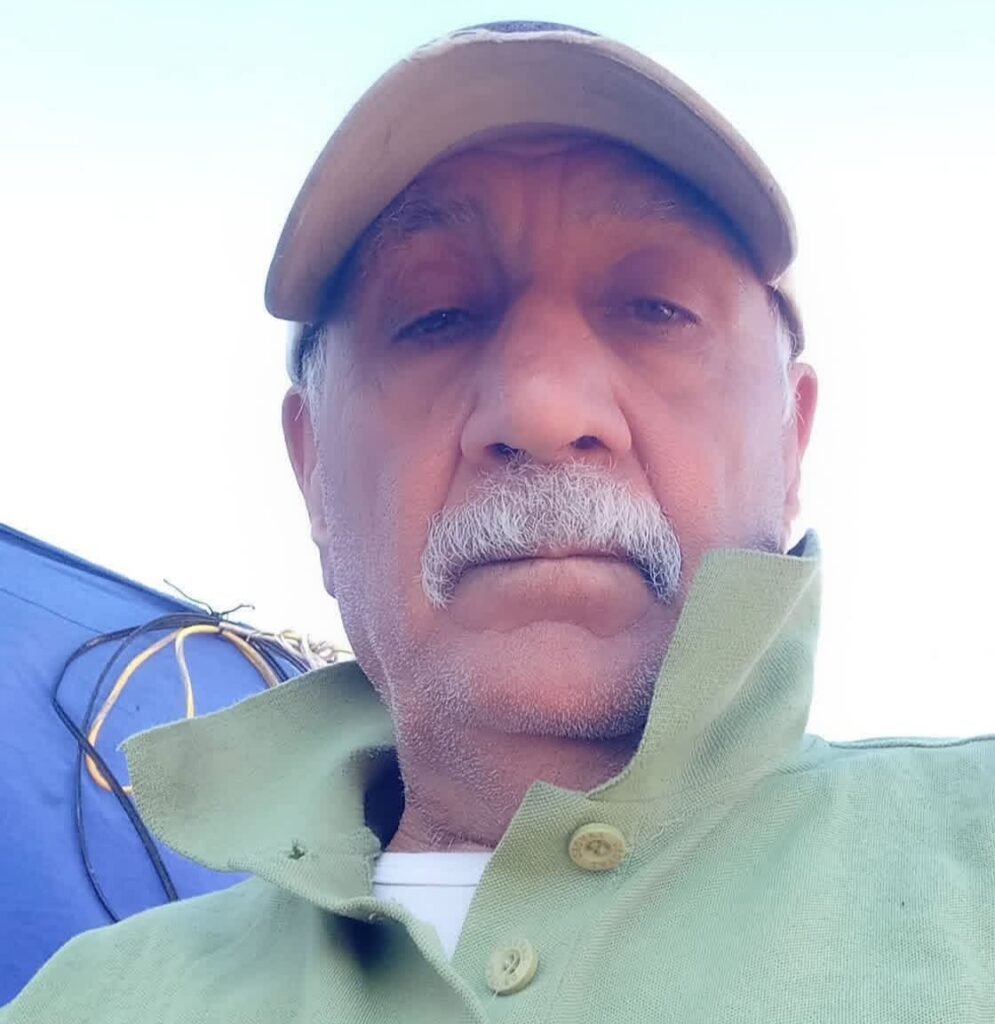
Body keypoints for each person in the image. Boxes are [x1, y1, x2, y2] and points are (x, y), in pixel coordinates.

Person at [4, 20, 994, 1023]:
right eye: (434, 315)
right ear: (310, 469)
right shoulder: (88, 1001)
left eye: (654, 308)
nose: (539, 408)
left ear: (791, 440)